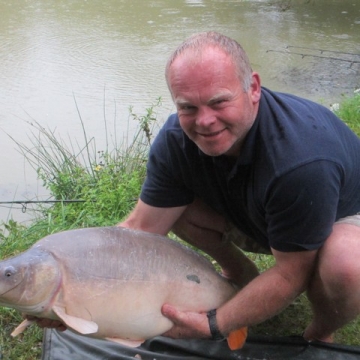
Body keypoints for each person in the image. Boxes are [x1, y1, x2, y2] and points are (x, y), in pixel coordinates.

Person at [35, 31, 360, 345]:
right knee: (173, 204)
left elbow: (291, 274)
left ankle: (320, 333)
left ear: (254, 88)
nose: (204, 121)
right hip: (265, 214)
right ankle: (239, 272)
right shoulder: (176, 140)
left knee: (346, 264)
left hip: (338, 218)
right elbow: (139, 233)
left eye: (218, 102)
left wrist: (215, 323)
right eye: (188, 107)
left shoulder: (300, 160)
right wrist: (71, 288)